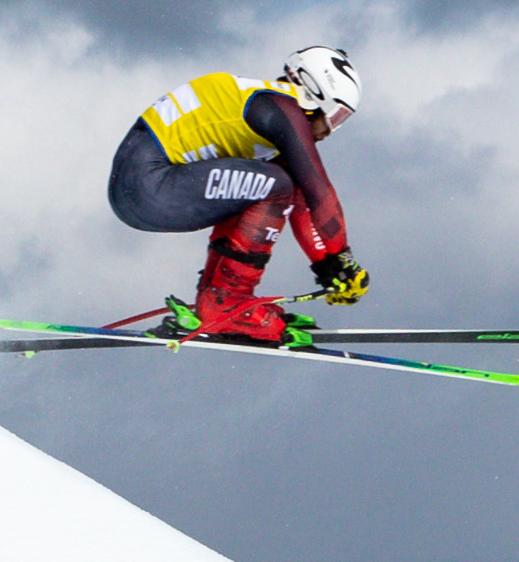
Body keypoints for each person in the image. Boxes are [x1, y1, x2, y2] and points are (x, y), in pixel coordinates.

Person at [106, 47, 369, 346]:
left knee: (273, 184)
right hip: (150, 185)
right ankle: (228, 303)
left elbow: (300, 201)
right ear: (313, 92)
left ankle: (217, 298)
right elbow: (318, 190)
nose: (331, 130)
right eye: (336, 115)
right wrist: (342, 258)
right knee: (274, 184)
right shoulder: (281, 107)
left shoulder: (267, 104)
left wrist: (327, 264)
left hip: (139, 188)